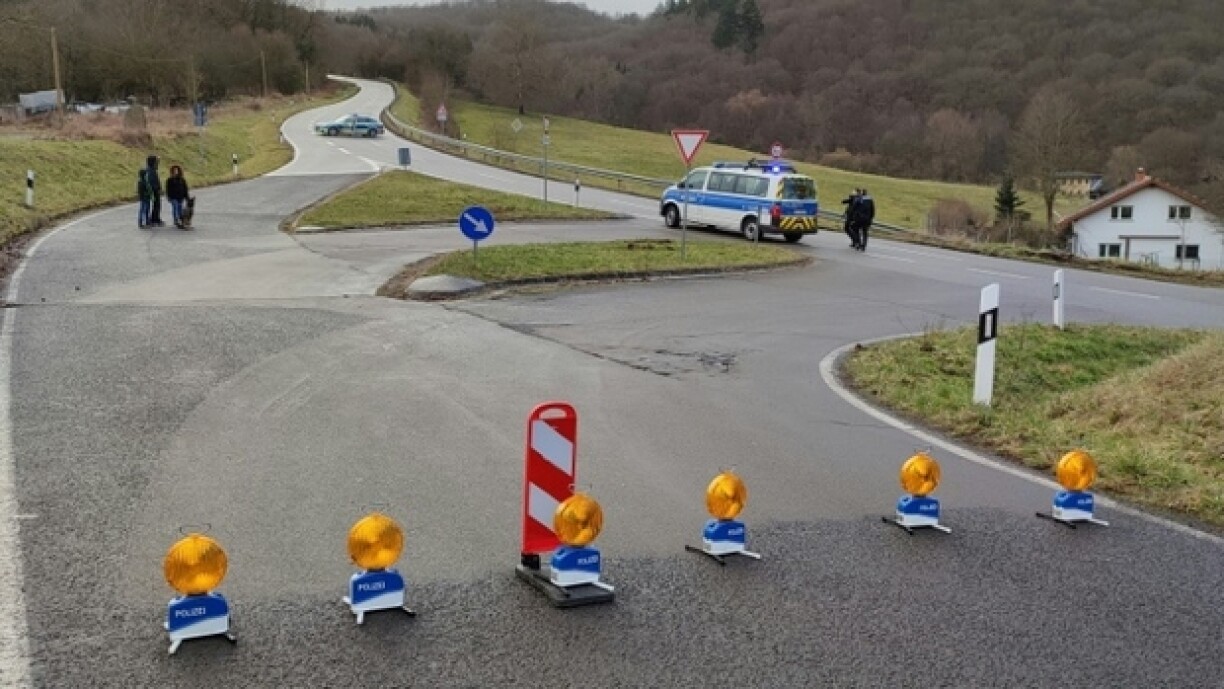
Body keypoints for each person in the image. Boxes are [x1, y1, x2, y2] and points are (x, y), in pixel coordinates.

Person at [166, 165, 191, 229]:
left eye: (176, 170)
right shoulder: (170, 180)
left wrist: (187, 197)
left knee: (180, 208)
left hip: (180, 196)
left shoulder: (182, 180)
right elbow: (168, 189)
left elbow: (185, 189)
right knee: (175, 207)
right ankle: (176, 220)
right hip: (173, 197)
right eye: (174, 170)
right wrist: (168, 197)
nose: (175, 172)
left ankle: (180, 219)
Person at [144, 155, 164, 227]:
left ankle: (155, 218)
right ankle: (154, 219)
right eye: (156, 161)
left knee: (156, 205)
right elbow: (153, 182)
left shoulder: (151, 169)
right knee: (156, 205)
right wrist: (157, 189)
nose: (157, 163)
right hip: (154, 190)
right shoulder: (151, 171)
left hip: (154, 190)